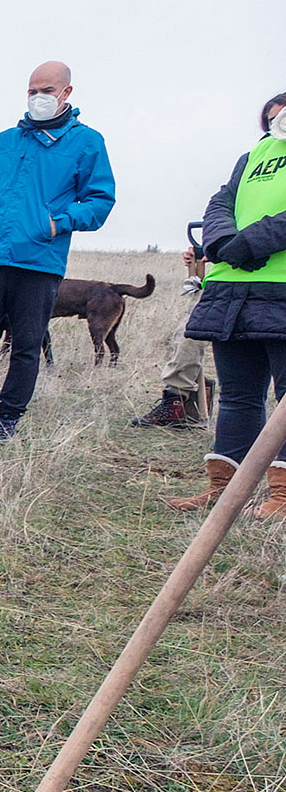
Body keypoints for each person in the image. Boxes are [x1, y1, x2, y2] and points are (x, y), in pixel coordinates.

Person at [0, 61, 115, 442]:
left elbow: (100, 201)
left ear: (66, 93)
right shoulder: (4, 141)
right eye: (32, 91)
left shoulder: (87, 142)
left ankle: (7, 421)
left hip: (40, 263)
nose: (38, 97)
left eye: (46, 91)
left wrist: (58, 222)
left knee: (26, 345)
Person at [164, 92, 286, 517]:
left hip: (282, 288)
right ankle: (226, 489)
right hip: (233, 291)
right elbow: (220, 202)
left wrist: (250, 243)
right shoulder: (254, 155)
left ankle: (283, 496)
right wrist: (221, 243)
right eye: (271, 117)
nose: (278, 121)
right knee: (238, 395)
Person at [130, 245, 213, 428]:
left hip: (266, 285)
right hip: (222, 283)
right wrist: (202, 257)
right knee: (187, 335)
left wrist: (219, 251)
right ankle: (179, 402)